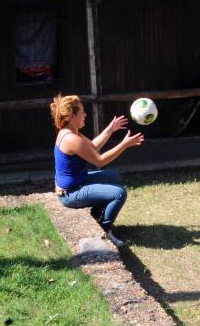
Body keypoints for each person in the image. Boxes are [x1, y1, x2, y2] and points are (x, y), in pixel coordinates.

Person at [51, 95, 144, 246]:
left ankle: (96, 215)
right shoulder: (71, 138)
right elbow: (99, 160)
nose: (85, 115)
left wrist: (111, 129)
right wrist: (124, 145)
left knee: (114, 177)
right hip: (71, 193)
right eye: (82, 111)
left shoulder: (71, 131)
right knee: (119, 193)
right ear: (71, 115)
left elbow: (92, 147)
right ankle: (105, 229)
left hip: (78, 183)